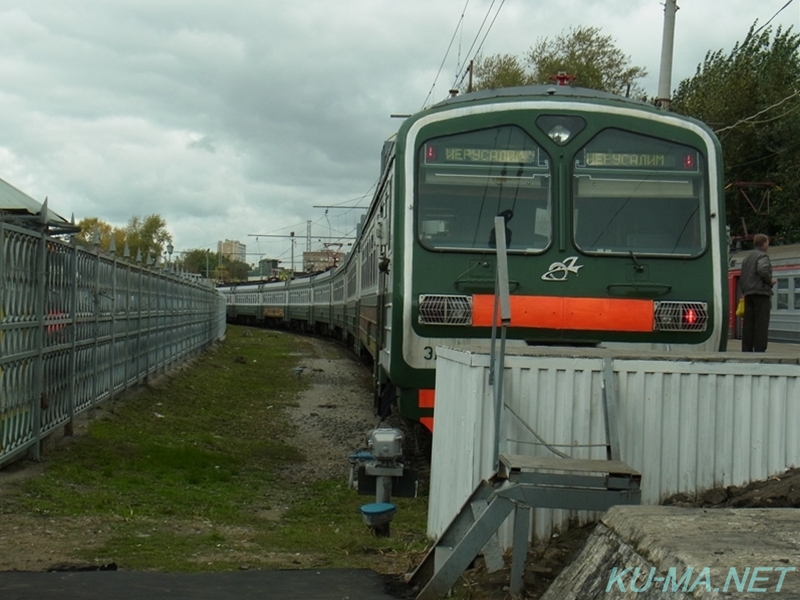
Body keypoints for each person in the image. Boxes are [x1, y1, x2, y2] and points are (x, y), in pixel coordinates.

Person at [740, 233, 777, 352]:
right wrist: (770, 281)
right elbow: (762, 269)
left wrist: (745, 290)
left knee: (748, 324)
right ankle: (760, 350)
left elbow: (743, 276)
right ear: (763, 244)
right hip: (761, 293)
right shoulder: (763, 256)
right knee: (761, 324)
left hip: (749, 294)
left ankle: (747, 350)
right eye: (767, 243)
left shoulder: (747, 258)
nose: (768, 245)